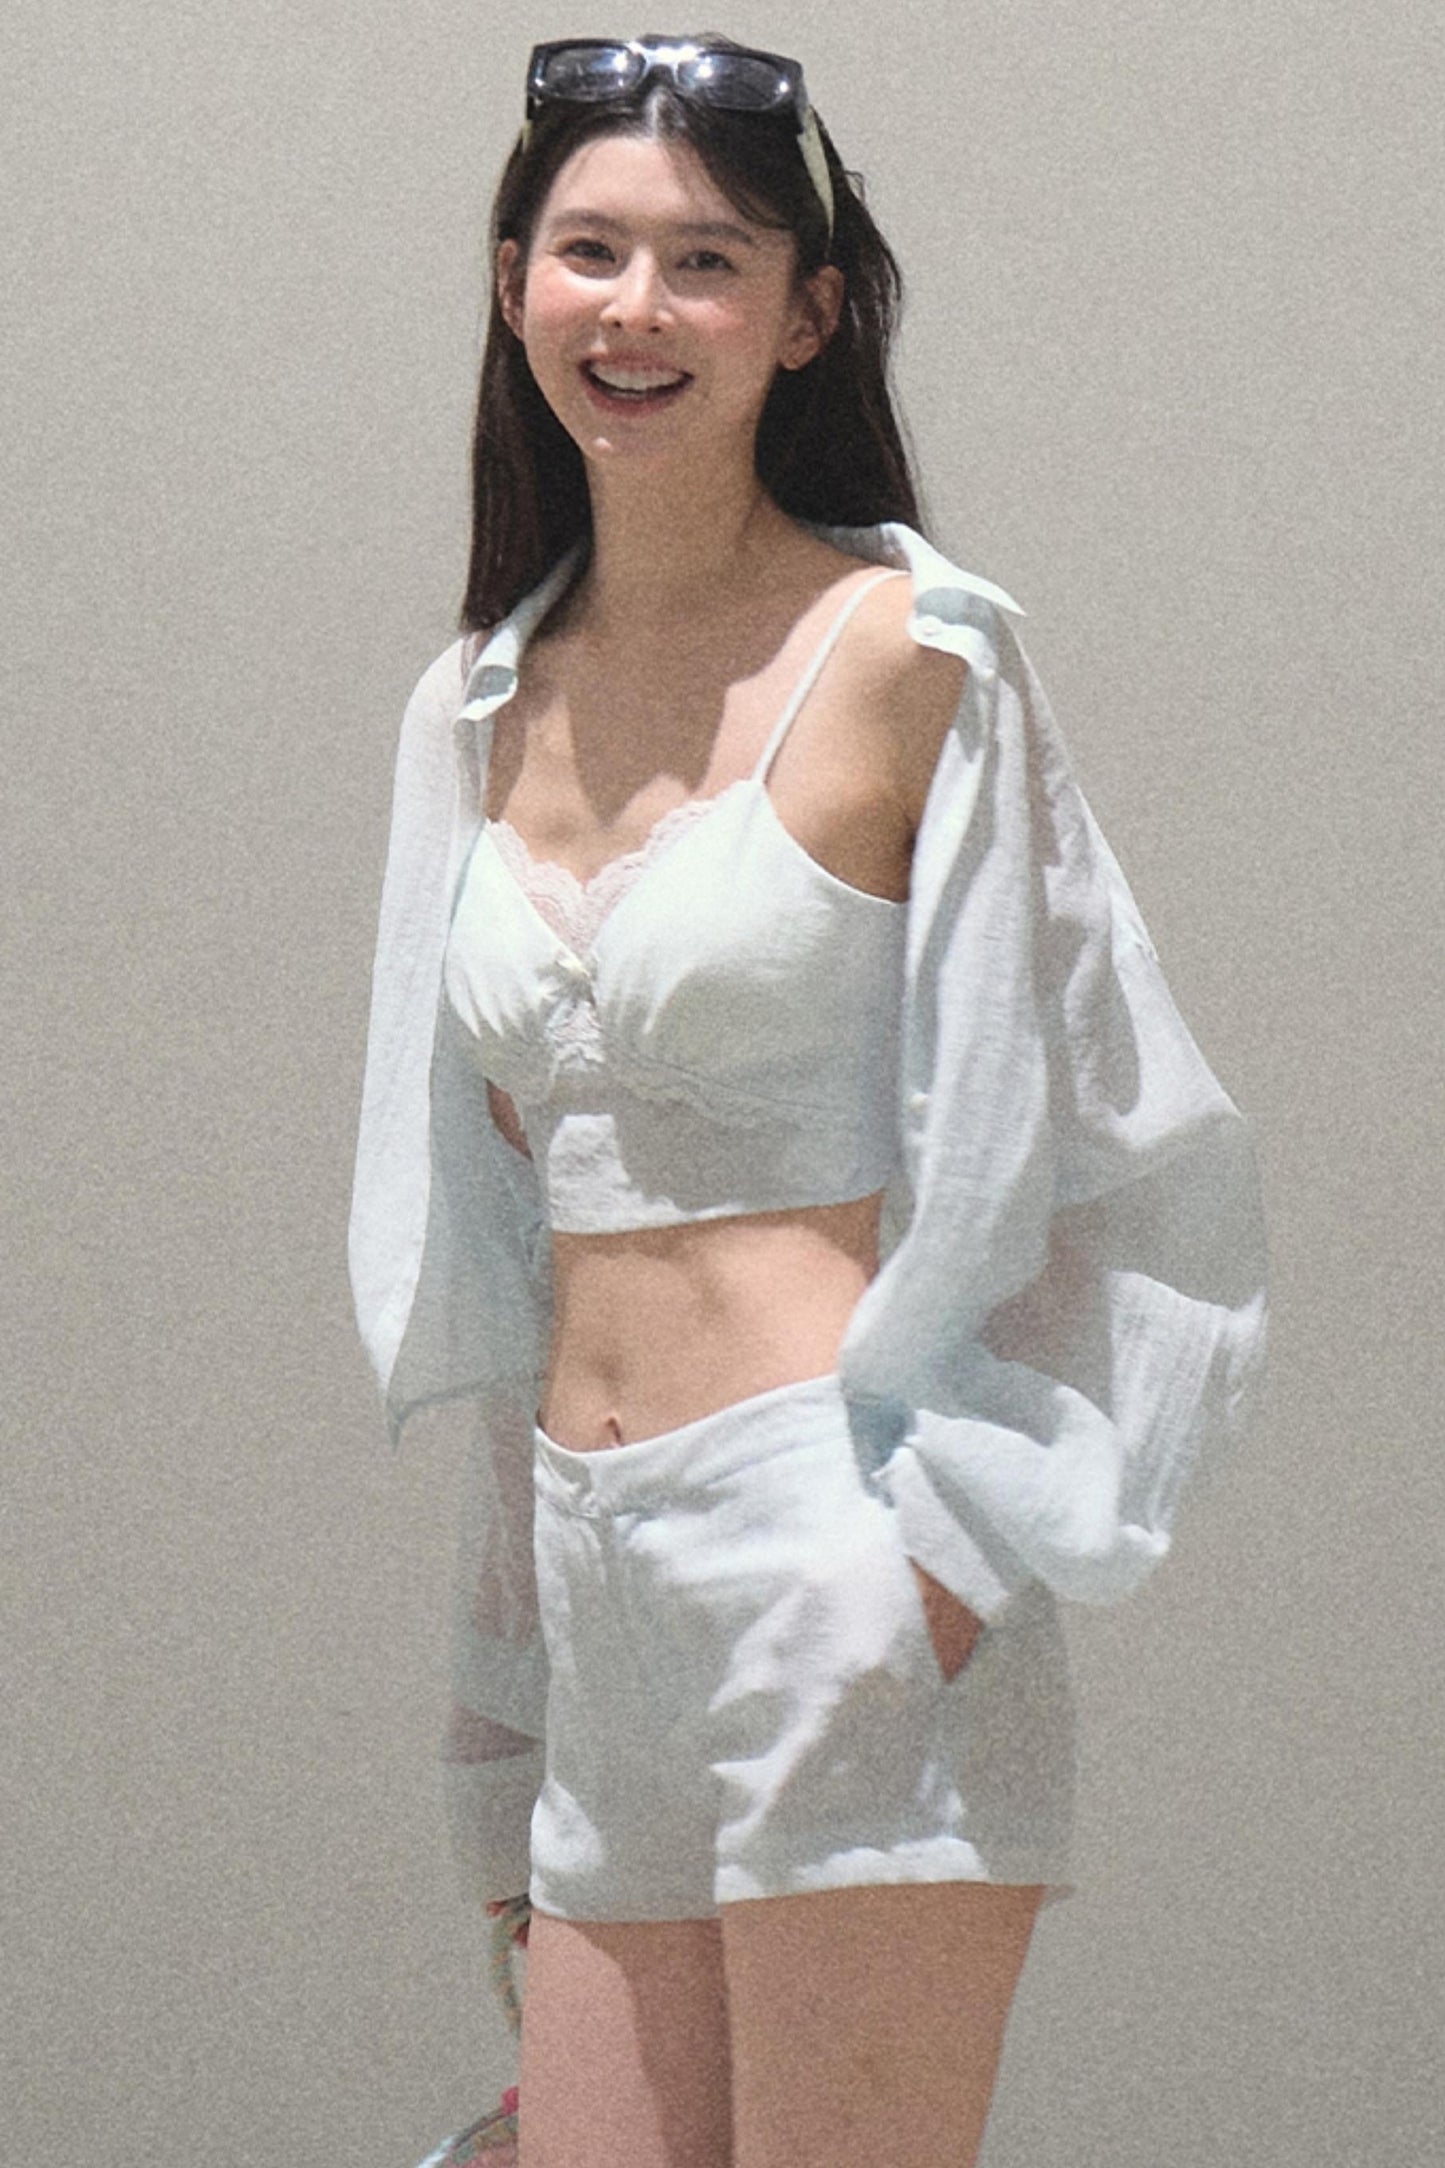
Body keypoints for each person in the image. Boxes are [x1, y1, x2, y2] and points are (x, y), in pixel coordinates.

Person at [349, 32, 1268, 2168]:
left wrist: (936, 1556)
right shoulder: (472, 705)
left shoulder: (912, 655)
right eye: (591, 250)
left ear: (805, 313)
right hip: (589, 1571)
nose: (638, 308)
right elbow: (512, 1223)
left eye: (707, 260)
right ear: (512, 284)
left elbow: (1122, 1152)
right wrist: (513, 1683)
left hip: (829, 1547)